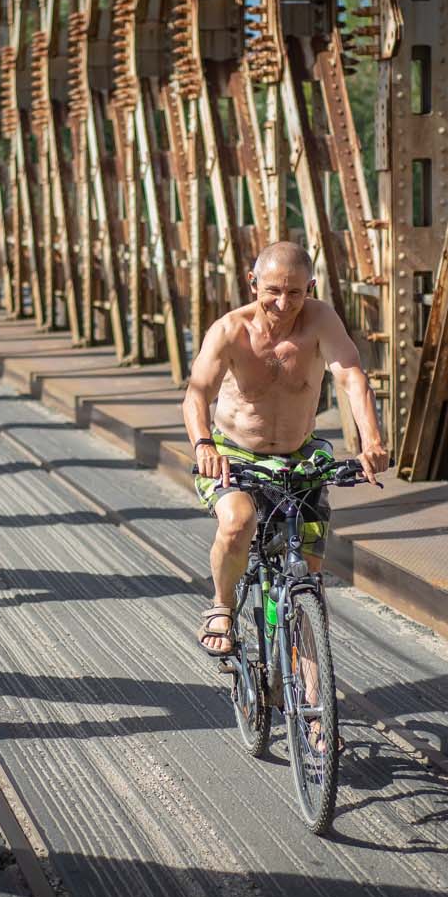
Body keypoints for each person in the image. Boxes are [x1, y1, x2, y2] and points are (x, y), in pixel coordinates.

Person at [183, 240, 390, 659]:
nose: (283, 302)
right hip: (234, 453)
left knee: (309, 580)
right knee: (239, 522)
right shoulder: (229, 330)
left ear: (310, 288)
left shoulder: (320, 322)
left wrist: (372, 441)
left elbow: (351, 377)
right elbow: (197, 393)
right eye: (273, 290)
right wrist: (204, 444)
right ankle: (221, 606)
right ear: (252, 282)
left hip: (299, 455)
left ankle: (312, 705)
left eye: (295, 292)